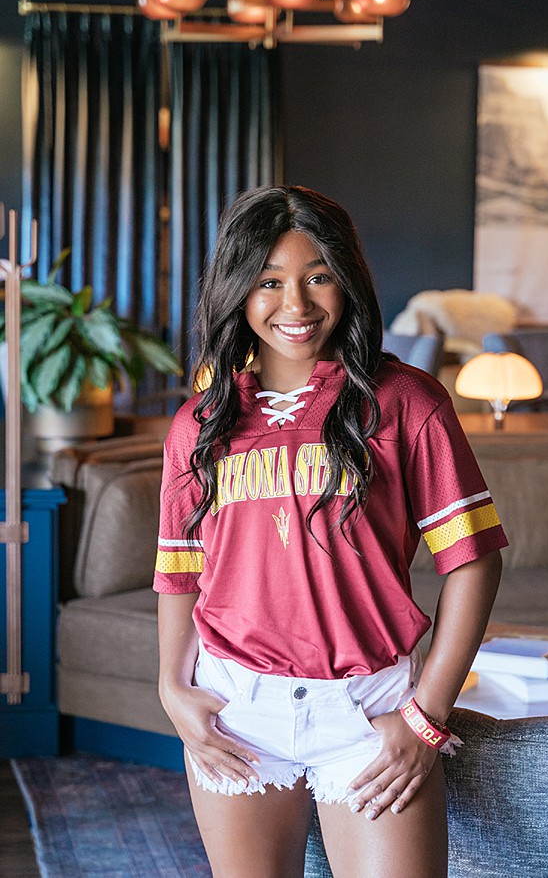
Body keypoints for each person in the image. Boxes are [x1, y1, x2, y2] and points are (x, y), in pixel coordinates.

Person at [155, 186, 506, 877]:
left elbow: (475, 561)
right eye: (269, 281)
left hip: (367, 714)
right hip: (237, 709)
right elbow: (180, 569)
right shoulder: (199, 423)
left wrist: (427, 715)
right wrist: (171, 685)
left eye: (318, 275)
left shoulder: (408, 402)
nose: (297, 303)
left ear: (347, 278)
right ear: (238, 288)